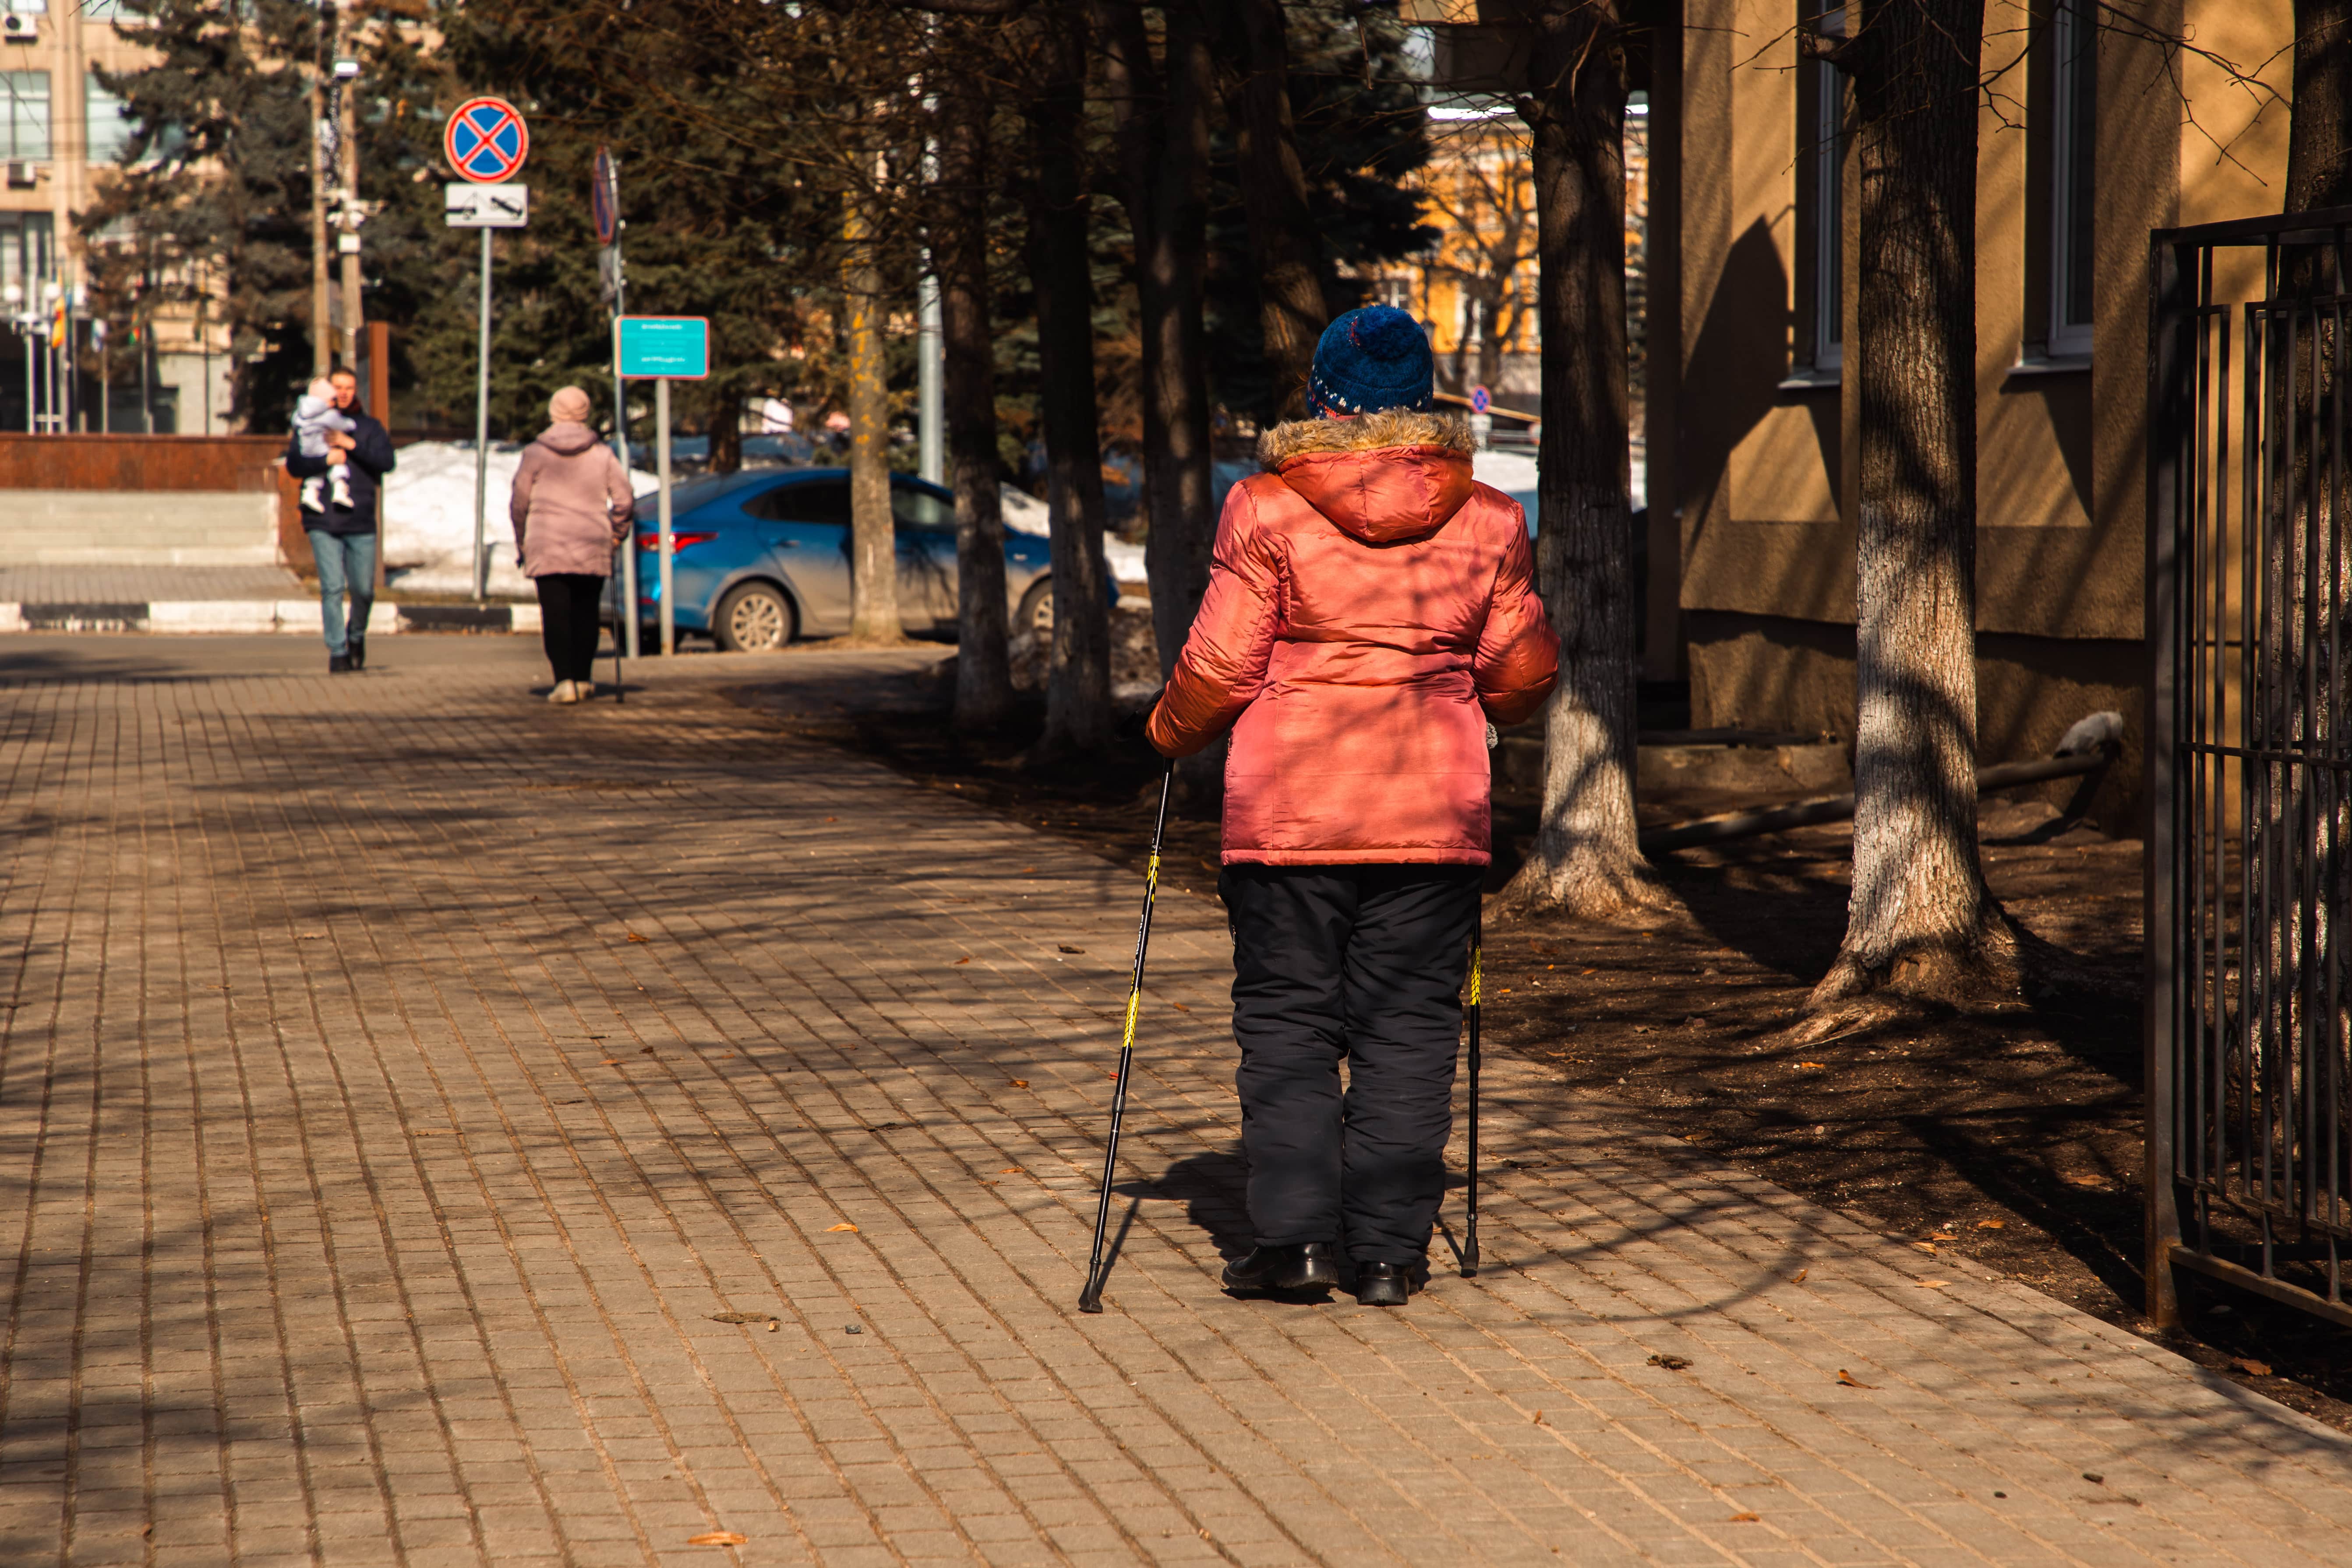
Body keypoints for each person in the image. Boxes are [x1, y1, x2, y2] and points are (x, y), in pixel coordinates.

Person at [1145, 306, 1560, 1308]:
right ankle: (1386, 1254)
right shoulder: (1490, 517)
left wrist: (1167, 733)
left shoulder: (1264, 507)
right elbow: (1521, 675)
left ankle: (1294, 1245)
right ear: (1422, 401)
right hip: (1432, 816)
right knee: (1408, 1028)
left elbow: (1220, 666)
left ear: (1321, 400)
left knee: (1289, 1020)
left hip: (1290, 814)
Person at [510, 386, 634, 703]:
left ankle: (564, 681)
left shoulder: (535, 454)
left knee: (555, 616)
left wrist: (523, 541)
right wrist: (617, 534)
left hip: (547, 544)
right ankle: (583, 678)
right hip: (591, 543)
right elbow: (624, 500)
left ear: (553, 411)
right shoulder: (603, 454)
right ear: (585, 412)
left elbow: (519, 503)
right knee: (586, 615)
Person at [285, 366, 395, 674]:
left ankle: (356, 635)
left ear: (356, 391)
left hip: (360, 520)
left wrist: (351, 445)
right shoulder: (312, 422)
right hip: (323, 520)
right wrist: (325, 460)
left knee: (364, 590)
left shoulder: (368, 427)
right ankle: (338, 650)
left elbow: (387, 462)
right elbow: (295, 464)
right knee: (332, 587)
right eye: (338, 388)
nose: (343, 393)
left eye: (349, 388)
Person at [291, 378, 355, 513]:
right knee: (338, 464)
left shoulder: (300, 414)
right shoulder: (328, 415)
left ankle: (310, 494)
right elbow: (342, 424)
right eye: (332, 399)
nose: (334, 402)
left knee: (315, 473)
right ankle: (340, 490)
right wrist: (352, 425)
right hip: (323, 447)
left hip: (307, 449)